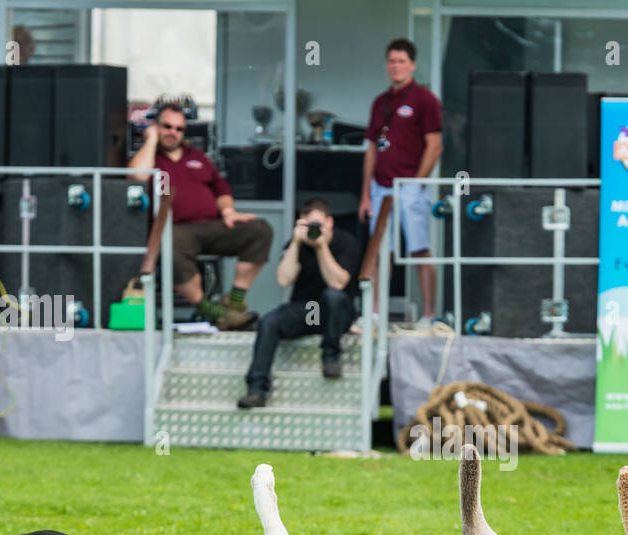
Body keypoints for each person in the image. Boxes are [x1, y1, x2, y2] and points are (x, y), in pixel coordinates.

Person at [128, 101, 273, 329]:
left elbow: (221, 188)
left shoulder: (196, 156)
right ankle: (214, 313)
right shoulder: (151, 157)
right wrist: (151, 140)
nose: (172, 132)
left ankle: (234, 304)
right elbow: (136, 177)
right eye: (166, 127)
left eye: (179, 129)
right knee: (171, 243)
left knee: (260, 230)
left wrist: (228, 212)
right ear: (156, 127)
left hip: (213, 226)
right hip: (174, 230)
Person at [237, 198, 362, 409]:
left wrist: (321, 247)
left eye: (318, 225)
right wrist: (295, 243)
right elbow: (284, 280)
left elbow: (338, 283)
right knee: (268, 322)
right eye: (308, 226)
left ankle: (331, 356)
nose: (314, 230)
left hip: (338, 312)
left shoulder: (345, 242)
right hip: (310, 311)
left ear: (329, 223)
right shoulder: (296, 243)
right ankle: (256, 389)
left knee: (332, 296)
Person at [358, 38, 442, 327]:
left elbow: (435, 146)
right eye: (392, 61)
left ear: (413, 65)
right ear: (386, 65)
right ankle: (375, 314)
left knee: (419, 248)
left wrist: (417, 183)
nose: (396, 66)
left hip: (409, 185)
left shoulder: (425, 100)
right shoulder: (380, 102)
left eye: (402, 61)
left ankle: (429, 314)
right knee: (380, 250)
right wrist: (365, 195)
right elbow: (371, 149)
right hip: (381, 187)